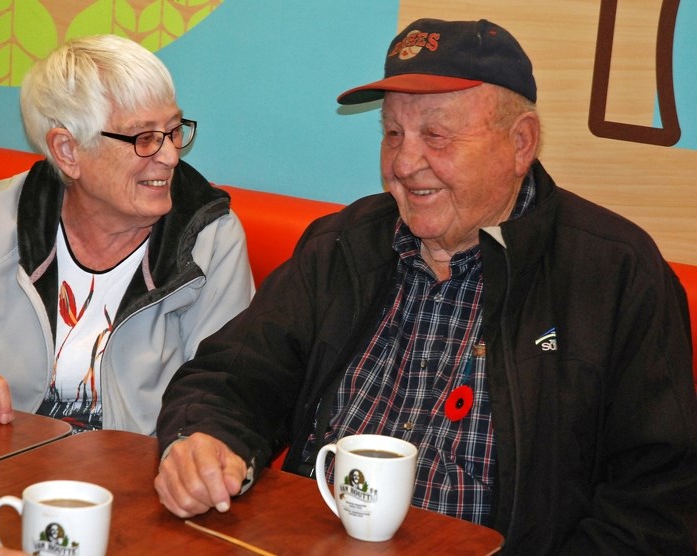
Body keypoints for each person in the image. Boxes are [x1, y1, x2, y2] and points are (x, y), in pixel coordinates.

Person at [153, 18, 697, 552]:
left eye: (435, 135)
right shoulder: (344, 245)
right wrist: (203, 439)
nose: (405, 162)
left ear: (520, 144)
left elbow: (659, 500)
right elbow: (232, 378)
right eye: (393, 133)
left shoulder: (614, 274)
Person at [0, 35, 254, 435]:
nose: (170, 156)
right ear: (67, 151)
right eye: (144, 138)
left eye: (172, 130)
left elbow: (226, 391)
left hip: (132, 474)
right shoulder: (0, 215)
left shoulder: (209, 238)